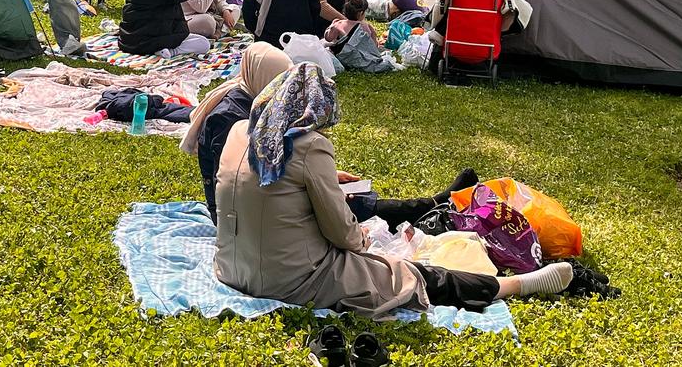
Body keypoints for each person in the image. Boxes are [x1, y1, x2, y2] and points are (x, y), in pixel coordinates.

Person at [213, 64, 575, 319]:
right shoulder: (311, 146)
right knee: (409, 275)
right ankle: (512, 286)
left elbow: (268, 182)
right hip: (288, 281)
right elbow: (342, 234)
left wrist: (324, 180)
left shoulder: (240, 132)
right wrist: (365, 240)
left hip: (231, 268)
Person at [182, 42, 294, 218]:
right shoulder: (228, 118)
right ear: (262, 77)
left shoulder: (254, 100)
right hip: (234, 216)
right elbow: (231, 182)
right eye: (279, 82)